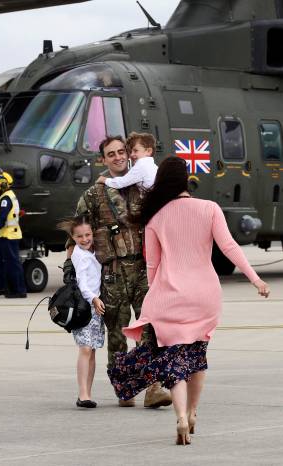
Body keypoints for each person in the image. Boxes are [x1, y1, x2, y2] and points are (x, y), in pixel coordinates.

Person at [107, 156, 270, 445]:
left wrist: (150, 306)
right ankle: (194, 413)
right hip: (205, 297)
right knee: (197, 359)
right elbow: (229, 246)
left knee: (174, 363)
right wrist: (255, 279)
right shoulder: (209, 208)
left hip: (170, 299)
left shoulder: (156, 218)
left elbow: (153, 268)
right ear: (187, 180)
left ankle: (181, 417)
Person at [67, 135, 172, 408]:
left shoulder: (145, 185)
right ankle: (124, 388)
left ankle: (153, 387)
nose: (118, 157)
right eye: (111, 154)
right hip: (111, 274)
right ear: (103, 159)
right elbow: (75, 236)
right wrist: (72, 276)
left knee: (149, 328)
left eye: (121, 151)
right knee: (117, 333)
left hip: (142, 268)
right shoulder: (92, 195)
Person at [60, 215, 105, 408]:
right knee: (85, 349)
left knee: (92, 350)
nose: (85, 239)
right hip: (85, 305)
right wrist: (94, 298)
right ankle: (83, 393)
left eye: (88, 234)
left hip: (96, 306)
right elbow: (82, 284)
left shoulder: (94, 252)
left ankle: (87, 392)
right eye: (80, 236)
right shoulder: (79, 255)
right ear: (73, 237)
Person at [0, 168, 27, 299]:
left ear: (3, 183)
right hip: (4, 235)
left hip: (10, 236)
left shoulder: (6, 199)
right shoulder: (4, 197)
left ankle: (19, 291)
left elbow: (2, 218)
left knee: (12, 263)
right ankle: (1, 288)